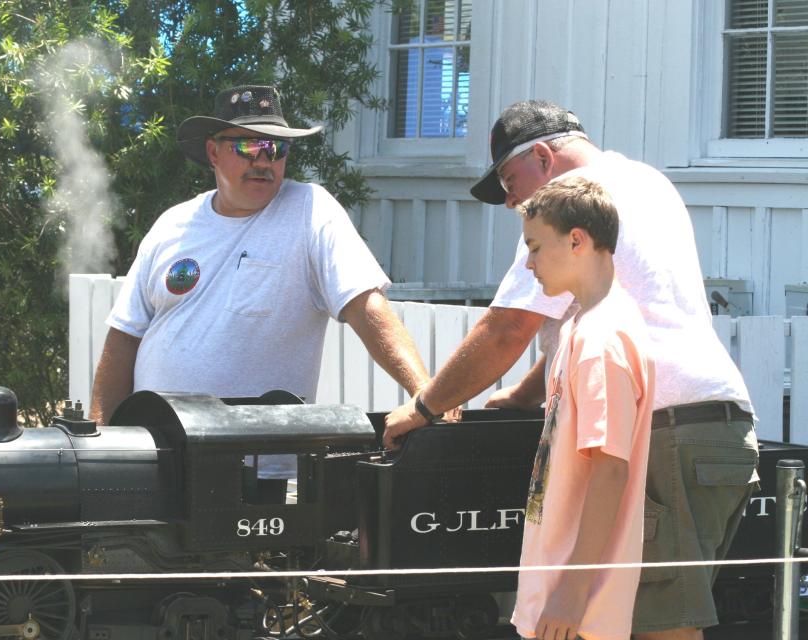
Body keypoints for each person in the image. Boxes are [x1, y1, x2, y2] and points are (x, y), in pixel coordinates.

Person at [384, 100, 759, 640]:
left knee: (661, 629)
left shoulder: (570, 211)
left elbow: (508, 328)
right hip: (714, 424)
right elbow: (620, 307)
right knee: (646, 620)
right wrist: (525, 395)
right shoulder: (648, 183)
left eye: (511, 182)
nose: (512, 202)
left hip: (662, 429)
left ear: (542, 155)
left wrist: (423, 407)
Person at [91, 84, 429, 434]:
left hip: (253, 460)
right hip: (150, 447)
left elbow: (366, 305)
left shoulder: (311, 211)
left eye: (276, 148)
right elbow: (125, 337)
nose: (263, 161)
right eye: (249, 146)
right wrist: (98, 445)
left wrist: (424, 393)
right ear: (213, 152)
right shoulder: (172, 224)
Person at [511, 176, 653, 640]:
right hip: (559, 594)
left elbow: (610, 468)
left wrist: (573, 589)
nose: (529, 263)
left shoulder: (601, 340)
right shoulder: (582, 325)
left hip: (577, 609)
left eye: (534, 247)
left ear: (577, 240)